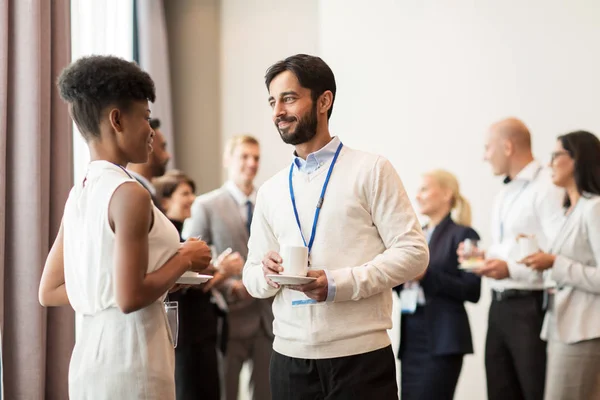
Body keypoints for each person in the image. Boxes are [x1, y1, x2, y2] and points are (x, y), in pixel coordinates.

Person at [242, 53, 429, 399]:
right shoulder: (270, 190)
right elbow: (251, 277)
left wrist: (337, 284)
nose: (277, 112)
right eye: (272, 101)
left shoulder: (372, 170)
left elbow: (414, 254)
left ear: (324, 100)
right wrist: (266, 273)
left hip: (360, 359)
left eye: (288, 98)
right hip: (288, 360)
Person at [38, 55, 212, 400]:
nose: (152, 130)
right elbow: (130, 297)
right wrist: (185, 258)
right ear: (117, 119)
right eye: (146, 117)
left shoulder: (81, 193)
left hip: (90, 355)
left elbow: (50, 290)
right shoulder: (128, 193)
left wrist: (105, 294)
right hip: (133, 358)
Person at [459, 118, 564, 400]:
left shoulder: (548, 186)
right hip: (500, 307)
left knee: (534, 390)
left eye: (487, 148)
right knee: (500, 390)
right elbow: (510, 247)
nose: (484, 156)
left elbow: (559, 251)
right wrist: (485, 257)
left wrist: (510, 269)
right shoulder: (505, 192)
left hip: (530, 308)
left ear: (507, 146)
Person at [182, 135, 273, 400]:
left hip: (266, 318)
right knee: (224, 394)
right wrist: (229, 285)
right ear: (227, 160)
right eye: (244, 156)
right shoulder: (205, 205)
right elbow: (190, 263)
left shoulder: (268, 205)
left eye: (256, 157)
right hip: (227, 320)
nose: (251, 163)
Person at [519, 131, 600, 400]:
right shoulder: (571, 210)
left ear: (577, 159)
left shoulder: (594, 208)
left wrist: (555, 263)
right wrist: (545, 260)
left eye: (556, 155)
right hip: (562, 326)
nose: (549, 162)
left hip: (584, 329)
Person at [396, 170, 481, 400]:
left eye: (424, 189)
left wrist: (426, 275)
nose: (417, 196)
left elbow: (473, 290)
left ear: (446, 194)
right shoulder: (415, 236)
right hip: (412, 333)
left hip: (443, 337)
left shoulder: (465, 234)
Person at [128, 118, 171, 208]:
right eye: (162, 148)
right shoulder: (135, 193)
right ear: (147, 148)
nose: (168, 156)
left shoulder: (147, 191)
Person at [153, 170, 197, 240]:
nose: (193, 198)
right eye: (185, 194)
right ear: (164, 202)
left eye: (192, 193)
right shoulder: (164, 240)